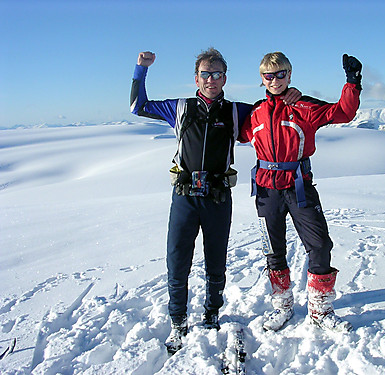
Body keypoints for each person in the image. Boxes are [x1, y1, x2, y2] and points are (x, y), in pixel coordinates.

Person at [130, 48, 300, 353]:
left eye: (218, 74)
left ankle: (211, 315)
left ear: (225, 78)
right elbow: (137, 106)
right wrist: (141, 69)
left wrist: (291, 93)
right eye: (206, 74)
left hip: (218, 196)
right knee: (177, 261)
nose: (211, 79)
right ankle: (178, 322)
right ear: (196, 77)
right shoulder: (181, 107)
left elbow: (271, 109)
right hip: (184, 196)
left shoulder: (235, 112)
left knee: (216, 262)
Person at [238, 51, 362, 332]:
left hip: (299, 187)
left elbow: (343, 112)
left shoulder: (303, 106)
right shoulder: (255, 112)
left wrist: (352, 82)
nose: (275, 80)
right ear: (262, 79)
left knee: (319, 245)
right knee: (273, 250)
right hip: (266, 190)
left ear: (289, 74)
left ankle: (320, 309)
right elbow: (229, 128)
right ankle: (282, 306)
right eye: (269, 75)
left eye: (281, 74)